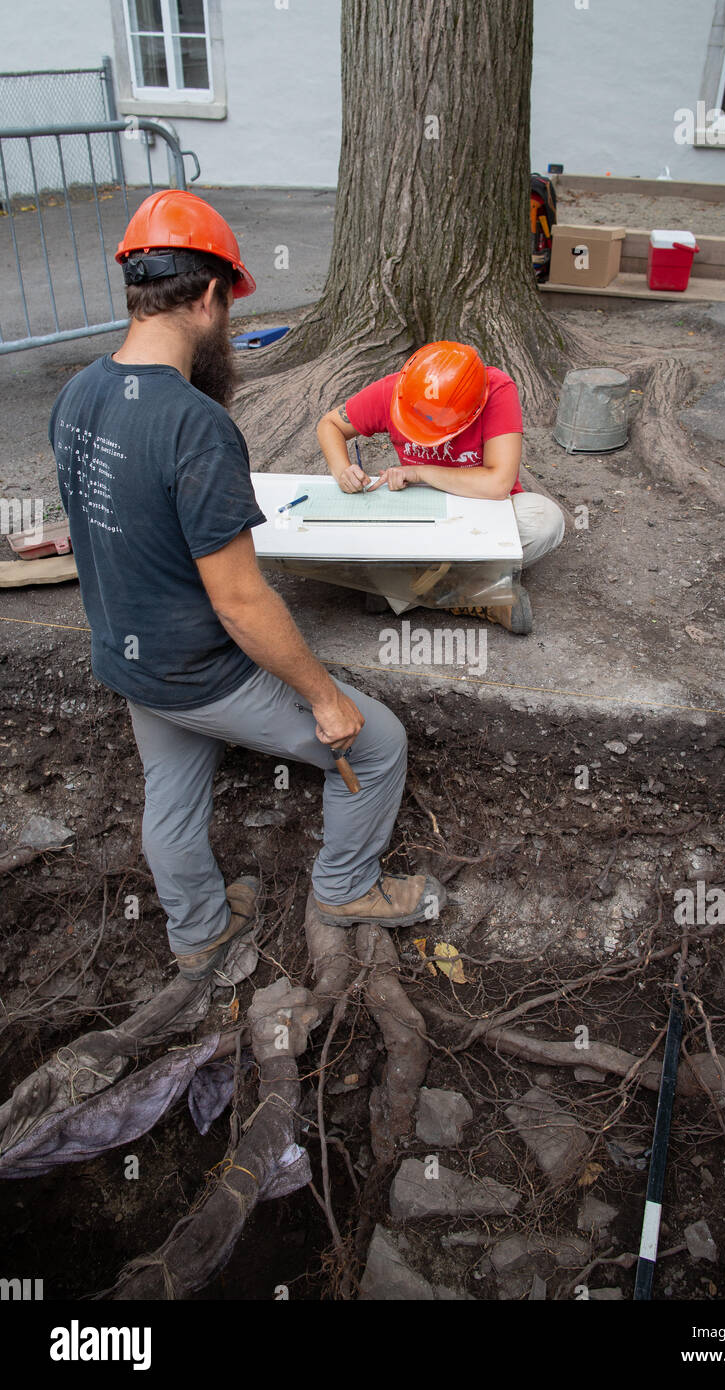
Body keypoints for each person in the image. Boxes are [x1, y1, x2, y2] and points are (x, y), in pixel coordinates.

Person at [48, 190, 443, 982]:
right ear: (206, 298)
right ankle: (344, 889)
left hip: (127, 656)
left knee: (173, 791)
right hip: (196, 668)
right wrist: (325, 696)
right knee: (378, 738)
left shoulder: (78, 393)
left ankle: (198, 934)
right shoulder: (195, 424)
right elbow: (239, 599)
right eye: (226, 305)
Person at [316, 341, 565, 634]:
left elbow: (498, 484)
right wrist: (342, 469)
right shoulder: (395, 390)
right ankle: (483, 594)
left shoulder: (496, 389)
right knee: (337, 539)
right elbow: (330, 424)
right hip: (417, 512)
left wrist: (420, 472)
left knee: (545, 521)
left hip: (482, 508)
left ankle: (405, 592)